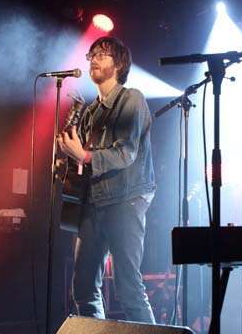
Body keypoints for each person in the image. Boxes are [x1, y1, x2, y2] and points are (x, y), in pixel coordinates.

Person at [57, 36, 156, 323]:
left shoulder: (131, 98)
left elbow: (126, 152)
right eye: (92, 54)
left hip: (126, 199)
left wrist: (84, 156)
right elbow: (83, 160)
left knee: (128, 288)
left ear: (119, 63)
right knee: (84, 289)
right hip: (93, 202)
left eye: (102, 54)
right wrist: (68, 156)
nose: (95, 59)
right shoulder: (89, 112)